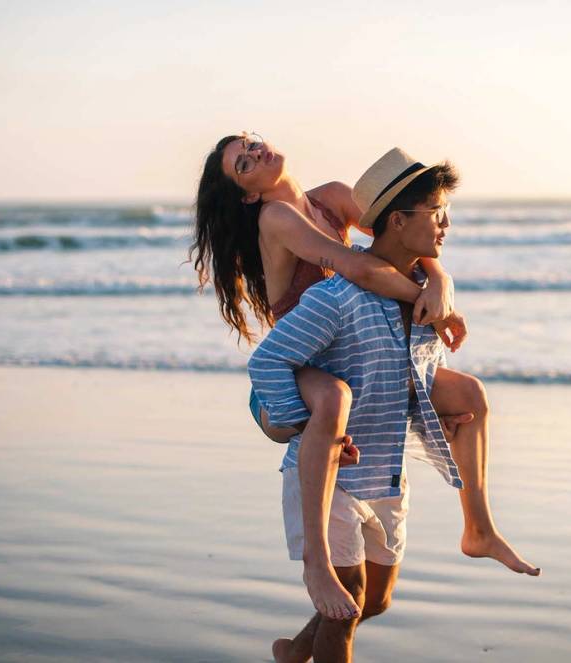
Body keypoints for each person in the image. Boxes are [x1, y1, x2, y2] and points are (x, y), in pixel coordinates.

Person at [190, 134, 539, 625]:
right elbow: (360, 268)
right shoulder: (276, 217)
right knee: (334, 397)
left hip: (353, 359)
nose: (257, 153)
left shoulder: (331, 197)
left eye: (251, 144)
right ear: (248, 194)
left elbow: (404, 220)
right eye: (244, 164)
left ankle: (478, 528)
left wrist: (439, 283)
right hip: (301, 369)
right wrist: (435, 310)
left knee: (469, 396)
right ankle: (316, 562)